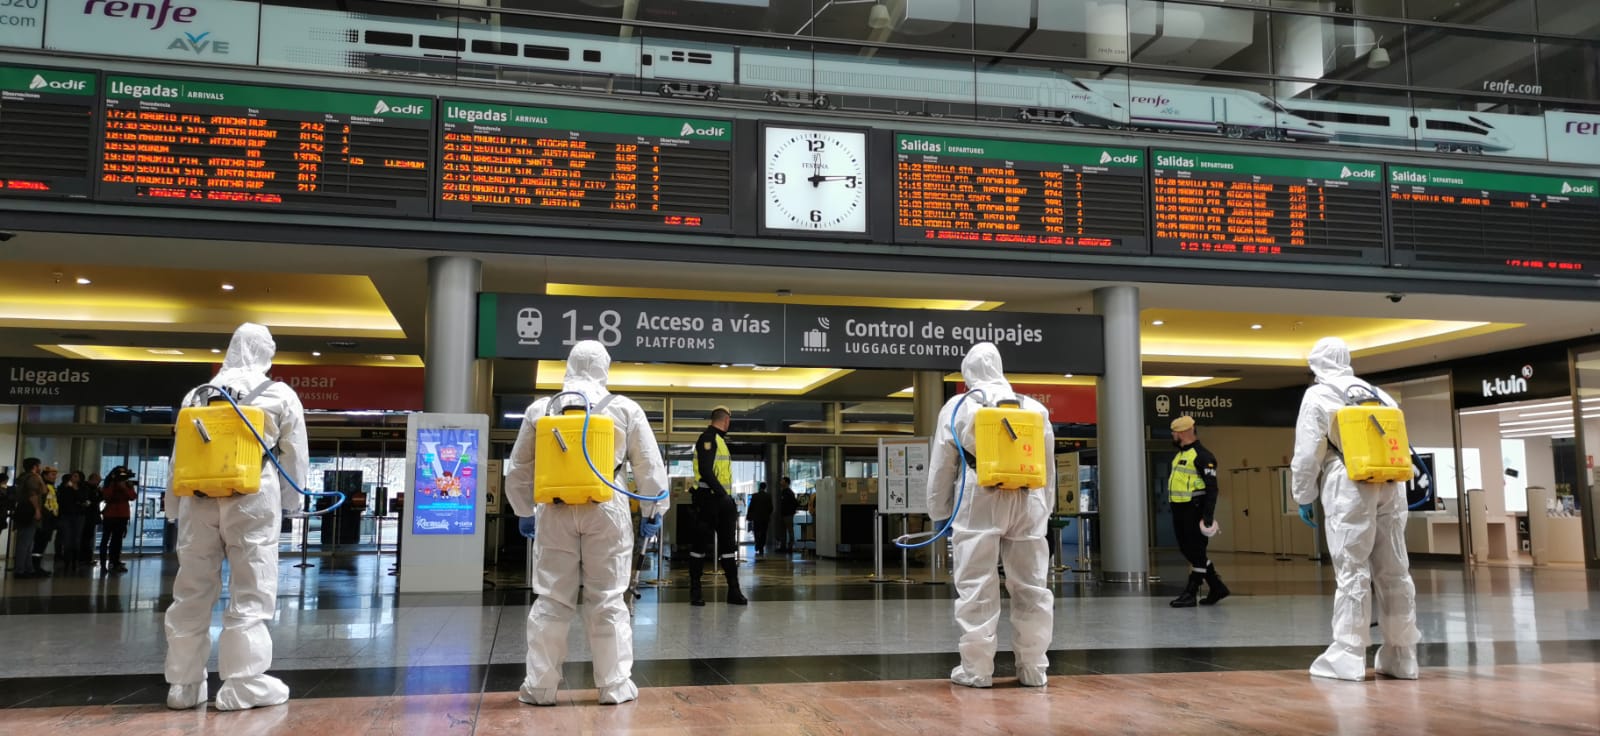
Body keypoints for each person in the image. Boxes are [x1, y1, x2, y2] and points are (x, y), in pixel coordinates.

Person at [505, 340, 669, 706]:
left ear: (569, 366)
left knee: (551, 599)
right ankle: (613, 686)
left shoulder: (540, 409)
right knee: (609, 598)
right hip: (607, 507)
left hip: (554, 509)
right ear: (605, 368)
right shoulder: (625, 408)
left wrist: (524, 512)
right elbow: (649, 467)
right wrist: (653, 514)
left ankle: (540, 688)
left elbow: (518, 470)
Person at [164, 323, 309, 711]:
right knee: (252, 586)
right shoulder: (277, 392)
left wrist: (172, 504)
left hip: (197, 497)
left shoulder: (197, 394)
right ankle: (243, 683)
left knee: (191, 590)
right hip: (252, 496)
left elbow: (180, 454)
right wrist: (293, 503)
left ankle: (183, 684)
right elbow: (295, 453)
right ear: (266, 352)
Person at [1290, 337, 1420, 682]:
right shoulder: (1379, 394)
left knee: (1352, 568)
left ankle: (1348, 654)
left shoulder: (1318, 395)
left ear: (1315, 365)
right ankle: (1402, 654)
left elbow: (1307, 454)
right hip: (1392, 485)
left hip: (1349, 484)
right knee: (1395, 570)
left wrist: (1304, 495)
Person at [926, 342, 1056, 689]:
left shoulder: (958, 406)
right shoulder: (1034, 408)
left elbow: (942, 465)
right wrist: (1046, 508)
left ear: (968, 372)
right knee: (1032, 586)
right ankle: (1033, 668)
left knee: (976, 585)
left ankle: (977, 670)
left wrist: (938, 510)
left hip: (979, 500)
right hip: (1029, 500)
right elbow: (1048, 466)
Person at [1166, 416, 1229, 607]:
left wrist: (1207, 516)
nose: (1173, 435)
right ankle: (1217, 587)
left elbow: (1212, 489)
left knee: (1196, 550)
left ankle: (1191, 592)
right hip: (1180, 509)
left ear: (1184, 432)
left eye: (1175, 432)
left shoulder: (1202, 456)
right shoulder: (1180, 455)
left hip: (1195, 509)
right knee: (1190, 551)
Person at [688, 406, 746, 606]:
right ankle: (695, 593)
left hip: (722, 501)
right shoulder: (708, 438)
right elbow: (705, 469)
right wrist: (722, 494)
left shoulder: (720, 441)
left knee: (729, 547)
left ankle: (734, 591)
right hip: (708, 500)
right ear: (726, 421)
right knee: (699, 547)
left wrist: (725, 497)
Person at [12, 459, 45, 578]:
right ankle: (21, 570)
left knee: (26, 542)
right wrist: (37, 509)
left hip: (22, 512)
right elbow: (33, 494)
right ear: (35, 466)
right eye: (39, 465)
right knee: (25, 543)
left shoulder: (23, 477)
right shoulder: (33, 478)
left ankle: (27, 568)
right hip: (29, 513)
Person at [101, 467, 138, 574]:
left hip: (122, 515)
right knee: (105, 539)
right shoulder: (109, 483)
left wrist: (124, 488)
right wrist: (114, 485)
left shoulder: (126, 484)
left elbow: (133, 496)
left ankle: (115, 561)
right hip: (110, 515)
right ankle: (103, 563)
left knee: (117, 540)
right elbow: (106, 497)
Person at [56, 471, 92, 574]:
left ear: (80, 478)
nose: (73, 478)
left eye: (76, 476)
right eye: (72, 476)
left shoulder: (83, 488)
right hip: (66, 515)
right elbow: (61, 500)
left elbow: (83, 499)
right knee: (67, 539)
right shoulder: (64, 487)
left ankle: (75, 561)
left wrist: (74, 489)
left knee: (76, 539)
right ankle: (67, 561)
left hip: (79, 515)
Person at [30, 466, 61, 578]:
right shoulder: (43, 487)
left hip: (50, 520)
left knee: (42, 544)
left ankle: (36, 566)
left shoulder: (51, 487)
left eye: (55, 474)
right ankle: (35, 566)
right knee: (39, 543)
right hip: (44, 520)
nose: (54, 477)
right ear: (45, 475)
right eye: (52, 475)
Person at [80, 472, 102, 568]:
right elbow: (93, 500)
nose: (98, 483)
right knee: (86, 537)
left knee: (88, 537)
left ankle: (86, 558)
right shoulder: (88, 489)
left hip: (91, 516)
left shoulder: (93, 489)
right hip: (88, 516)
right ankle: (84, 558)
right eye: (98, 481)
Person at [775, 477, 800, 554]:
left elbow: (795, 503)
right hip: (783, 514)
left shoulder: (789, 492)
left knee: (790, 530)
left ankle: (790, 547)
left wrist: (791, 511)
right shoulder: (782, 492)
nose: (780, 482)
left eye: (782, 481)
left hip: (788, 515)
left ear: (786, 482)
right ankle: (783, 547)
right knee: (783, 531)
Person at [747, 482, 773, 558]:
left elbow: (751, 507)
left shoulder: (755, 496)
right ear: (765, 487)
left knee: (756, 531)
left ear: (759, 487)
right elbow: (771, 508)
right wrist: (768, 514)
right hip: (765, 518)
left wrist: (749, 516)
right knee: (763, 532)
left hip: (756, 518)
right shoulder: (768, 496)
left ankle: (757, 544)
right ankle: (761, 547)